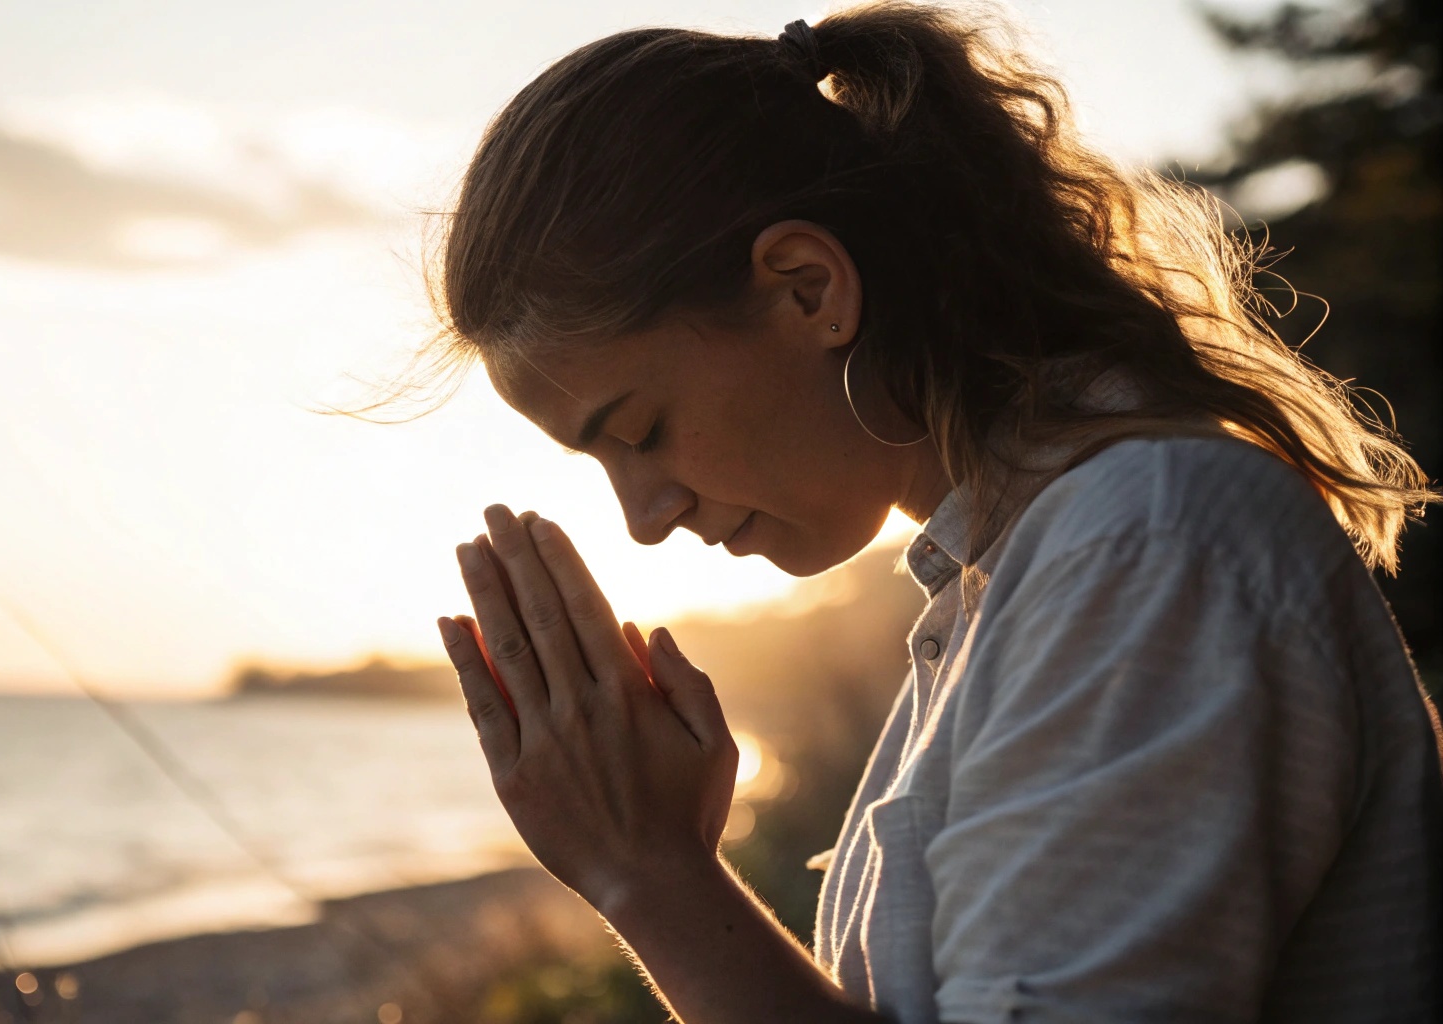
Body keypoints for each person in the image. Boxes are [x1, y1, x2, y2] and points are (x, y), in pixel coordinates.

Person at [407, 3, 1443, 1020]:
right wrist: (657, 867)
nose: (644, 515)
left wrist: (652, 881)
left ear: (807, 287)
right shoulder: (1007, 583)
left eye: (638, 431)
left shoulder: (1144, 545)